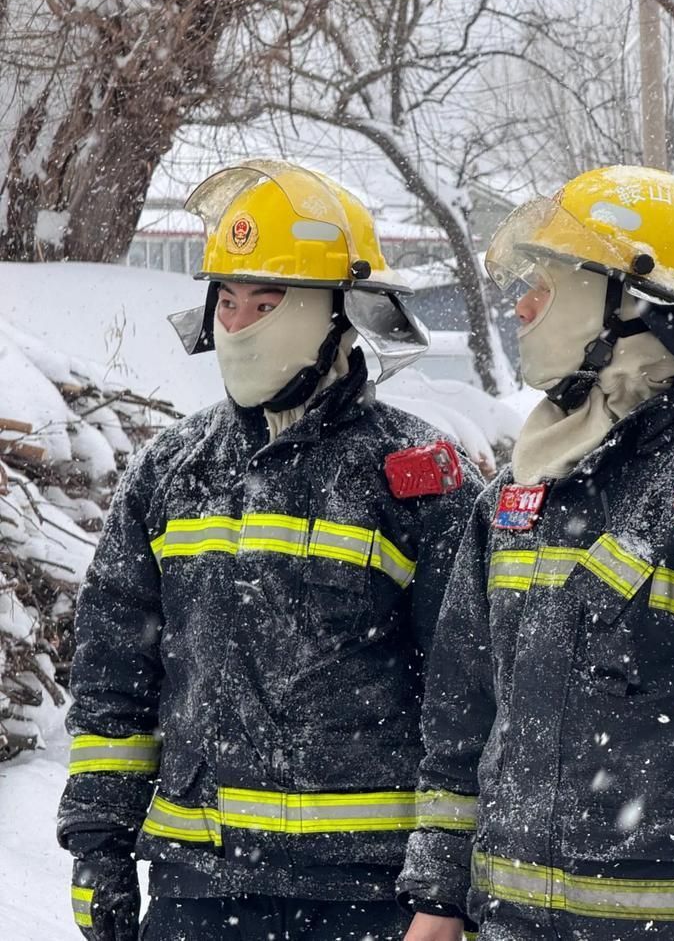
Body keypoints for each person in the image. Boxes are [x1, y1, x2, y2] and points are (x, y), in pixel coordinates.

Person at [58, 159, 482, 941]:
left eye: (267, 299)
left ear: (340, 313)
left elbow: (465, 701)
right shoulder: (172, 469)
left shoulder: (417, 477)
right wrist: (99, 845)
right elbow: (114, 676)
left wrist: (446, 887)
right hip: (197, 885)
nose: (240, 321)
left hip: (365, 892)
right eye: (227, 299)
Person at [398, 165, 674, 941]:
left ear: (629, 301)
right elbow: (460, 731)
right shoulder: (514, 501)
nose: (520, 307)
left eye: (545, 284)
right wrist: (436, 905)